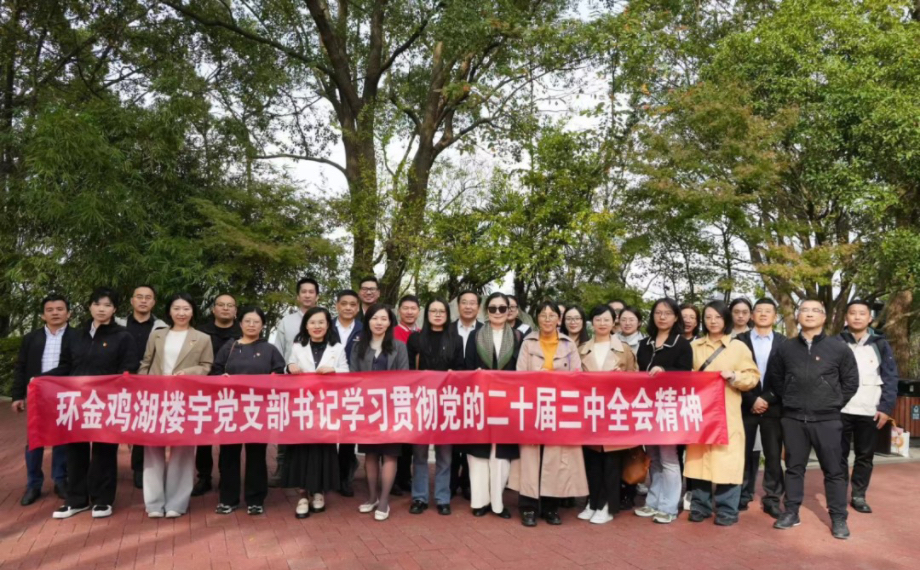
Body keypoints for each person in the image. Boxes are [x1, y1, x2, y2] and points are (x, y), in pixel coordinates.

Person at [765, 299, 859, 539]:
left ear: (824, 317)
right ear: (798, 315)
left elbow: (850, 382)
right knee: (793, 468)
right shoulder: (785, 348)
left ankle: (838, 517)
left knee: (834, 470)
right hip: (793, 418)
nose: (809, 314)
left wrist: (833, 403)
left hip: (827, 419)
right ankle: (791, 512)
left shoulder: (838, 348)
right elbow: (775, 377)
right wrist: (790, 399)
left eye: (815, 310)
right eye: (804, 310)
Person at [49, 287, 138, 519]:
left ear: (114, 309)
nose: (101, 309)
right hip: (76, 402)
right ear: (89, 306)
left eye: (107, 305)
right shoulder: (75, 336)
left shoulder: (123, 337)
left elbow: (128, 370)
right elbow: (65, 366)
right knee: (75, 451)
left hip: (106, 403)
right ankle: (76, 500)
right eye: (97, 304)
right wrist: (42, 379)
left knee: (104, 451)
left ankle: (102, 500)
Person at [510, 301, 587, 527]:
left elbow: (577, 376)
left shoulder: (568, 344)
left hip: (559, 409)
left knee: (555, 458)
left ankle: (551, 508)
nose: (547, 319)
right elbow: (520, 375)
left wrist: (554, 379)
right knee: (530, 458)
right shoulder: (528, 342)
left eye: (552, 315)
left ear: (558, 319)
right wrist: (539, 376)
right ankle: (528, 507)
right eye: (543, 315)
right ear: (537, 318)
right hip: (532, 407)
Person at [138, 293, 214, 518]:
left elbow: (207, 366)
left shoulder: (202, 338)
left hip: (185, 399)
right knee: (152, 449)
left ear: (193, 312)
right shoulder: (157, 335)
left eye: (186, 309)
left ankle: (177, 503)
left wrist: (189, 372)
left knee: (183, 450)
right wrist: (142, 386)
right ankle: (153, 503)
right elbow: (145, 363)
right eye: (177, 308)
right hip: (155, 398)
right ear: (169, 311)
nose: (181, 313)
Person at [684, 301, 759, 526]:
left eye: (718, 317)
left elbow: (753, 377)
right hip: (700, 413)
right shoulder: (694, 346)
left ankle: (727, 509)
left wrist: (734, 376)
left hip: (727, 414)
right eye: (708, 317)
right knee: (699, 460)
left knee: (728, 461)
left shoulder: (738, 347)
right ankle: (700, 506)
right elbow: (682, 375)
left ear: (726, 319)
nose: (713, 321)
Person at [212, 306, 285, 515]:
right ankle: (228, 499)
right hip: (231, 409)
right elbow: (215, 371)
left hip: (258, 410)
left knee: (256, 455)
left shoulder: (270, 349)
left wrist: (274, 378)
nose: (251, 325)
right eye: (247, 321)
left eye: (256, 322)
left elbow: (279, 373)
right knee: (228, 455)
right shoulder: (229, 347)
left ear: (262, 325)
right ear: (240, 323)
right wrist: (221, 378)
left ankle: (255, 499)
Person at [282, 307, 348, 519]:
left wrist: (334, 370)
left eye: (321, 322)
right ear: (306, 326)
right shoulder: (297, 346)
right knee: (301, 450)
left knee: (323, 449)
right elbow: (286, 371)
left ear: (328, 325)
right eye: (312, 322)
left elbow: (347, 373)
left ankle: (319, 492)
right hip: (302, 407)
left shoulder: (337, 347)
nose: (317, 326)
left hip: (325, 408)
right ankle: (302, 495)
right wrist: (290, 366)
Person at [461, 292, 522, 519]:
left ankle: (498, 503)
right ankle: (480, 502)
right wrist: (475, 375)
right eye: (493, 308)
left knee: (501, 456)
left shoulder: (517, 337)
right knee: (478, 455)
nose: (498, 312)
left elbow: (521, 369)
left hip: (507, 403)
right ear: (487, 311)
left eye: (502, 308)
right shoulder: (475, 335)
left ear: (509, 311)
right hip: (480, 402)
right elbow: (466, 368)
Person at [12, 294, 76, 506]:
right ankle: (33, 484)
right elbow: (21, 367)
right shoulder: (31, 338)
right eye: (50, 310)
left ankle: (60, 480)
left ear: (68, 313)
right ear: (42, 315)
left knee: (62, 438)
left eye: (59, 309)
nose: (55, 313)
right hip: (37, 395)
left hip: (66, 394)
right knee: (34, 440)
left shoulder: (78, 337)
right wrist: (17, 395)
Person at [836, 300, 899, 515]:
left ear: (869, 318)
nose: (857, 317)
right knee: (838, 455)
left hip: (870, 410)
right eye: (852, 313)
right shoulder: (836, 343)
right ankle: (838, 493)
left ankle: (859, 495)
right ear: (846, 317)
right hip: (840, 410)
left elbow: (890, 377)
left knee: (865, 456)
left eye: (862, 313)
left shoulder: (880, 344)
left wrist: (886, 408)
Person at [633, 298, 693, 524]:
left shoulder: (681, 344)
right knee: (654, 457)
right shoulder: (645, 343)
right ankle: (653, 502)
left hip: (669, 407)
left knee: (669, 458)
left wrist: (665, 370)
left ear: (676, 317)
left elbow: (686, 375)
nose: (662, 317)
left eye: (667, 313)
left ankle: (669, 506)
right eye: (658, 312)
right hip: (647, 407)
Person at [577, 305, 638, 525]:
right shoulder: (582, 349)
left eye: (606, 320)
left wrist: (624, 377)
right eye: (597, 319)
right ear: (591, 322)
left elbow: (636, 380)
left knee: (612, 461)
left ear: (614, 322)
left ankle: (608, 505)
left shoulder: (624, 350)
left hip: (614, 411)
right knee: (592, 460)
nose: (602, 324)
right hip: (590, 411)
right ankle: (592, 501)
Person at [350, 304, 410, 521]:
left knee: (390, 454)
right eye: (374, 318)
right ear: (367, 321)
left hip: (392, 409)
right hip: (367, 410)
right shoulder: (358, 347)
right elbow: (353, 376)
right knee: (371, 454)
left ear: (390, 322)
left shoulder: (399, 347)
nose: (379, 322)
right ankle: (372, 497)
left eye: (384, 319)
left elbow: (404, 376)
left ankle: (384, 501)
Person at [406, 298, 460, 515]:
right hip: (421, 402)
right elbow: (409, 370)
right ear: (426, 314)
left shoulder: (456, 339)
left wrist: (453, 375)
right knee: (419, 454)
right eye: (433, 311)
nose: (437, 315)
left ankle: (442, 498)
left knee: (445, 455)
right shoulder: (415, 339)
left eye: (442, 311)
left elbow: (460, 370)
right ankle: (419, 497)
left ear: (447, 315)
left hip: (446, 402)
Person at [736, 298, 786, 518]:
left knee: (773, 455)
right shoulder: (739, 341)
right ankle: (740, 494)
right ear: (752, 315)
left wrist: (766, 398)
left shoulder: (785, 343)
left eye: (768, 311)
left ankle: (772, 498)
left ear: (775, 316)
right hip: (745, 405)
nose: (763, 314)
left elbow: (787, 376)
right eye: (759, 310)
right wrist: (751, 399)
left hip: (773, 407)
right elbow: (734, 373)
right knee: (743, 453)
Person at [116, 285, 168, 489]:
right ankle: (107, 467)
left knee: (144, 423)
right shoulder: (118, 324)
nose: (143, 300)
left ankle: (140, 468)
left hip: (149, 381)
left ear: (153, 302)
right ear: (132, 300)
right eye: (139, 297)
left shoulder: (162, 327)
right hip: (120, 381)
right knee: (115, 422)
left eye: (148, 297)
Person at [192, 293, 242, 496]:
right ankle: (204, 476)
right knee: (203, 435)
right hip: (204, 390)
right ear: (213, 309)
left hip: (233, 393)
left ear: (235, 311)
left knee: (228, 434)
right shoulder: (200, 332)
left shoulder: (242, 332)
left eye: (230, 305)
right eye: (221, 305)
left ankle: (226, 475)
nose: (225, 308)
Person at [452, 290, 483, 499]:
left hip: (477, 393)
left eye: (473, 303)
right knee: (453, 438)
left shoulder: (484, 331)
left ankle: (467, 482)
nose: (468, 306)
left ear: (478, 308)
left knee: (472, 438)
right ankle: (451, 482)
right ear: (458, 306)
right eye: (464, 302)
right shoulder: (448, 329)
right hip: (451, 392)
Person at [333, 289, 363, 497]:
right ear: (337, 305)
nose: (348, 308)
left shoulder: (364, 329)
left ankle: (344, 478)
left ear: (358, 308)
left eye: (352, 304)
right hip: (327, 387)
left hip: (354, 389)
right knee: (326, 431)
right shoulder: (326, 326)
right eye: (344, 303)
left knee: (347, 434)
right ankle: (327, 475)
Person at [273, 277, 320, 362]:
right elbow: (278, 350)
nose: (307, 295)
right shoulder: (286, 321)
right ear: (298, 297)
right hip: (290, 369)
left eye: (311, 292)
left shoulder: (325, 322)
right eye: (304, 292)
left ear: (317, 297)